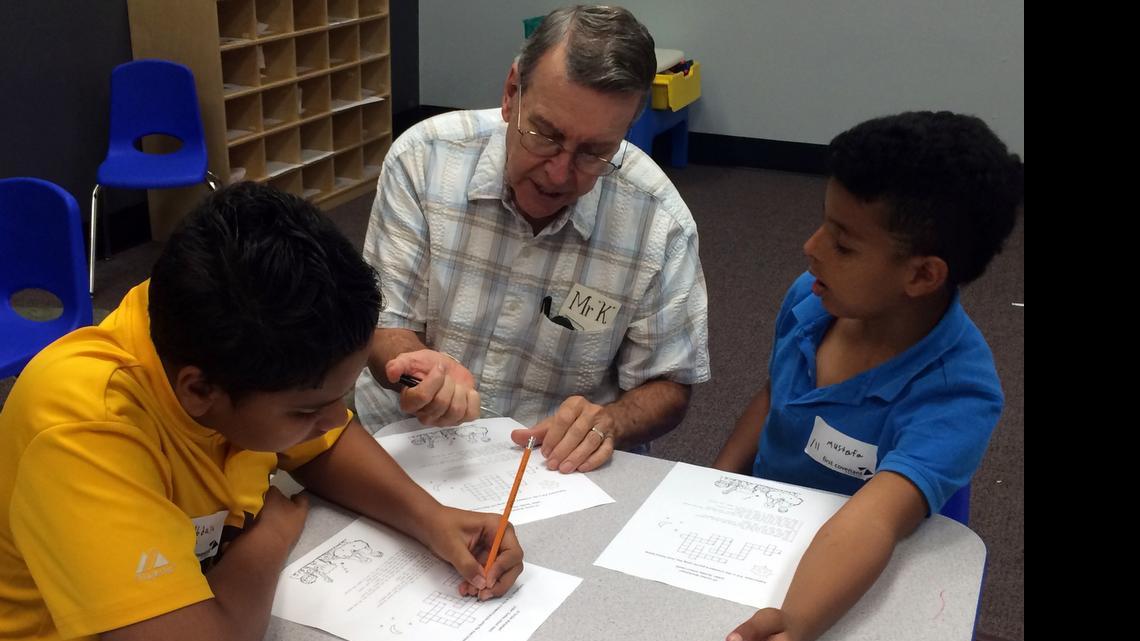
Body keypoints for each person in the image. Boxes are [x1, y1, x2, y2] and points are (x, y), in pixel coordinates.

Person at [0, 182, 523, 641]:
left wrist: (431, 520)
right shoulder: (82, 429)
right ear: (199, 390)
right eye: (306, 411)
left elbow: (325, 440)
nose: (332, 420)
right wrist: (269, 535)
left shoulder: (209, 324)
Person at [354, 4, 711, 474]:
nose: (560, 173)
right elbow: (384, 325)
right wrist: (420, 368)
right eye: (545, 134)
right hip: (410, 442)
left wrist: (610, 421)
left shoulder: (658, 222)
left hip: (552, 469)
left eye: (594, 153)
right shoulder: (424, 161)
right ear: (510, 94)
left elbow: (669, 382)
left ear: (626, 134)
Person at [712, 111, 1023, 641]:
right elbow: (773, 398)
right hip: (765, 538)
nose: (810, 248)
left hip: (865, 570)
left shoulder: (958, 394)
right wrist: (714, 487)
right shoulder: (812, 299)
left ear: (922, 274)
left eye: (844, 244)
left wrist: (796, 625)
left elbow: (874, 521)